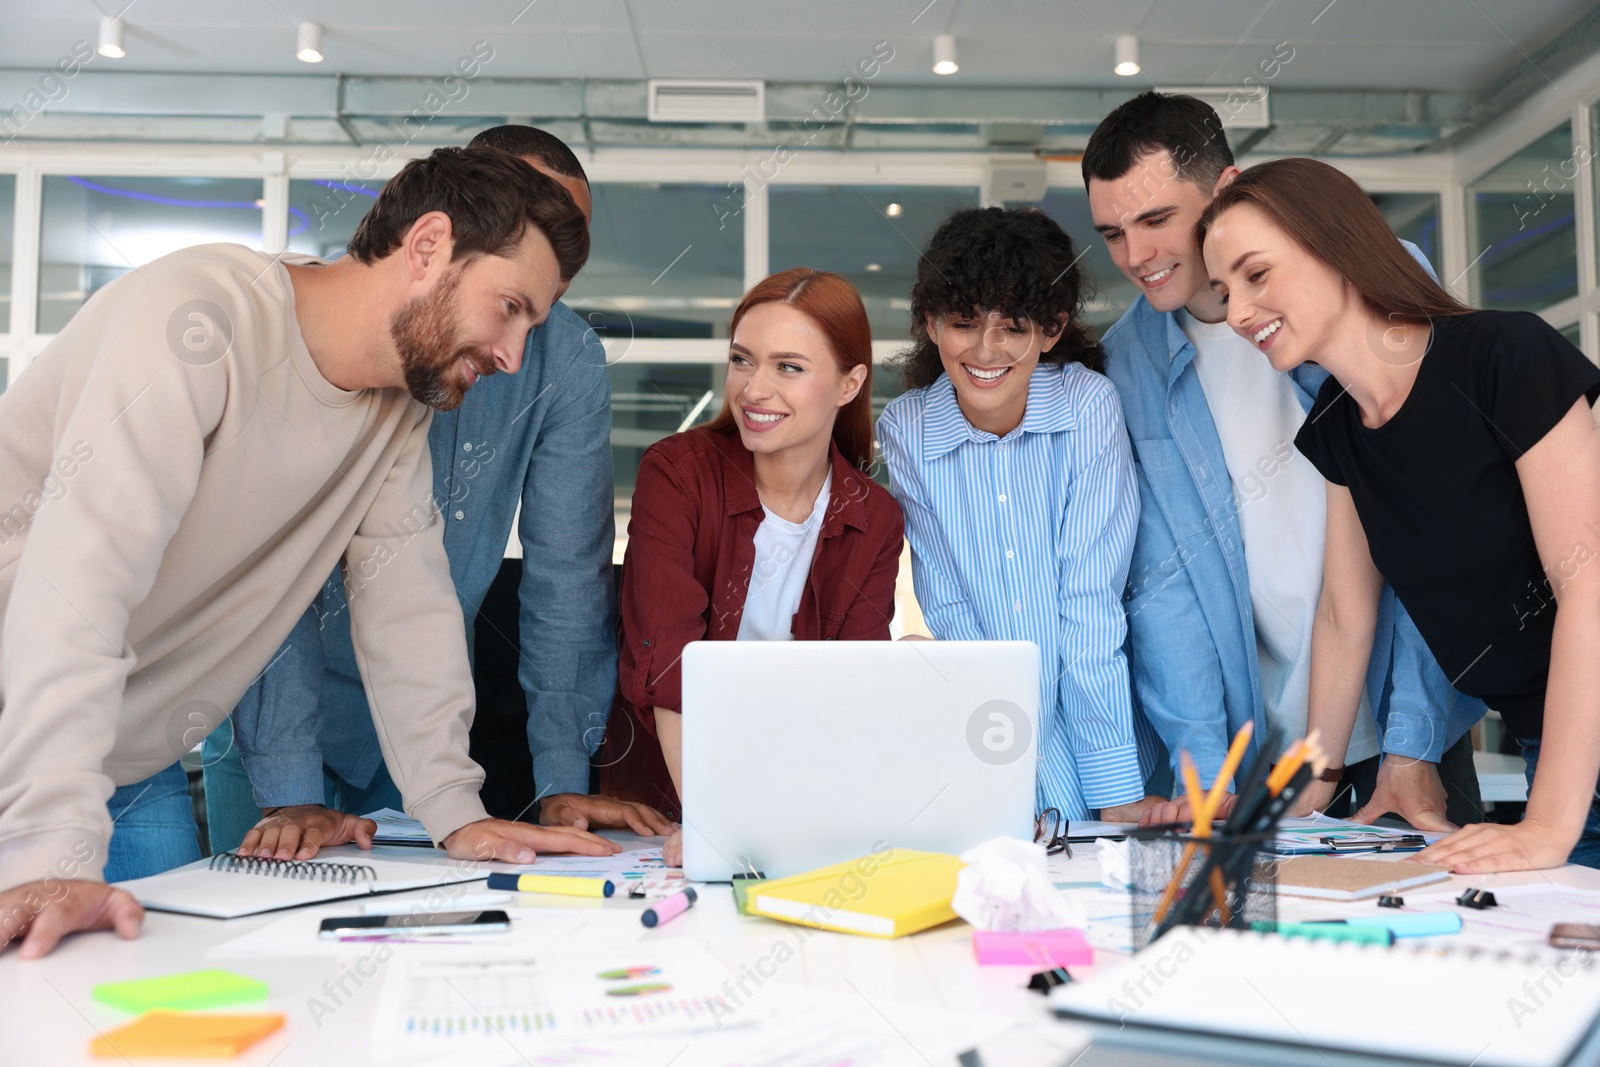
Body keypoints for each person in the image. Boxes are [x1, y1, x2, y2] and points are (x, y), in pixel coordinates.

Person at [0, 145, 600, 959]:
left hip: (121, 752)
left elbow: (408, 607)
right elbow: (76, 592)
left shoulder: (395, 412)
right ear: (427, 246)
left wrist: (455, 810)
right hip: (28, 738)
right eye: (510, 307)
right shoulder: (195, 324)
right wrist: (44, 848)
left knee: (153, 997)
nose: (513, 355)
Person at [201, 126, 674, 863]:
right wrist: (289, 782)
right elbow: (271, 572)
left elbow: (565, 584)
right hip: (270, 715)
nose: (551, 257)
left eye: (568, 245)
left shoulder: (566, 360)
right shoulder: (336, 331)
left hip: (423, 728)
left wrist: (561, 776)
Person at [1084, 91, 1486, 828]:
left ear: (1226, 188)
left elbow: (1441, 525)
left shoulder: (1369, 281)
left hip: (1407, 721)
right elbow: (1162, 589)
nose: (1135, 257)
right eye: (1111, 232)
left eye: (1156, 220)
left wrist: (1414, 742)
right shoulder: (1126, 364)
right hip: (1269, 754)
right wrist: (1205, 775)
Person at [1199, 156, 1600, 871]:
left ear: (1335, 246)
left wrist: (1547, 825)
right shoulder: (1338, 425)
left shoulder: (1504, 355)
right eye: (1224, 291)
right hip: (1554, 741)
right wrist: (1310, 788)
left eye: (1256, 275)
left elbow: (1589, 583)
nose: (1235, 313)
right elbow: (1344, 617)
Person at [598, 269, 905, 866]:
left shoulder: (875, 518)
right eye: (743, 360)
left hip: (802, 811)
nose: (754, 389)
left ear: (849, 384)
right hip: (664, 807)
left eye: (789, 367)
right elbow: (670, 665)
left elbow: (848, 691)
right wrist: (714, 823)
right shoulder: (677, 473)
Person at [877, 207, 1162, 824]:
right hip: (988, 732)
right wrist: (1013, 749)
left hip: (1106, 725)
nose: (986, 349)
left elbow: (1090, 604)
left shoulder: (1088, 407)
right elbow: (949, 606)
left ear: (1052, 330)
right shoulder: (906, 430)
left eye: (1013, 326)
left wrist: (1111, 786)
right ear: (931, 324)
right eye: (963, 323)